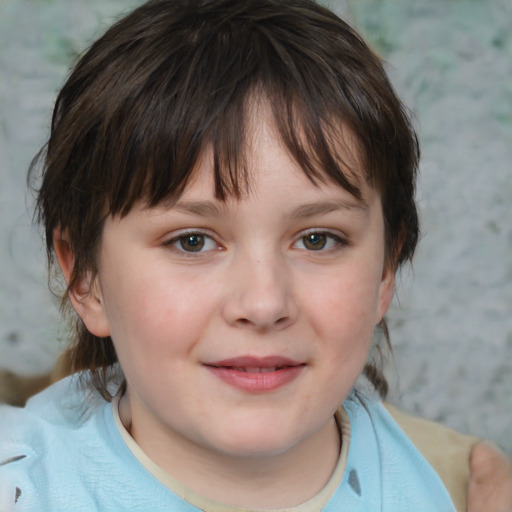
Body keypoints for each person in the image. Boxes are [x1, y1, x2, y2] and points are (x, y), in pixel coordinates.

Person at [0, 0, 510, 510]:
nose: (264, 304)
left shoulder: (459, 485)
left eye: (318, 239)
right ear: (86, 277)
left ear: (385, 271)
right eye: (192, 241)